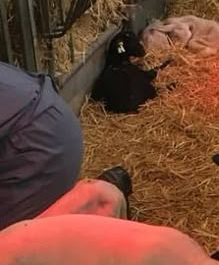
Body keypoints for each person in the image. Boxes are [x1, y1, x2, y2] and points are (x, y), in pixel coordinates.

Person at [0, 60, 131, 231]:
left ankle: (97, 209)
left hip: (35, 142)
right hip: (49, 120)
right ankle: (93, 202)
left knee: (13, 241)